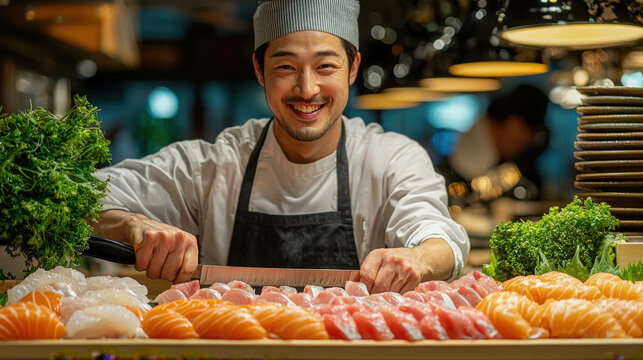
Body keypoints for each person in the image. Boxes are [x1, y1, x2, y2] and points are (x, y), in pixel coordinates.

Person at [92, 0, 469, 294]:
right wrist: (133, 224)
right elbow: (81, 198)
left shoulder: (391, 159)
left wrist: (417, 258)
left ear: (352, 68)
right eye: (286, 68)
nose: (307, 90)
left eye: (325, 67)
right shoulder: (214, 165)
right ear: (259, 69)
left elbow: (442, 239)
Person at [440, 84, 549, 203]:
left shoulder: (489, 149)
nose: (531, 142)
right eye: (531, 134)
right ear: (514, 124)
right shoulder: (470, 161)